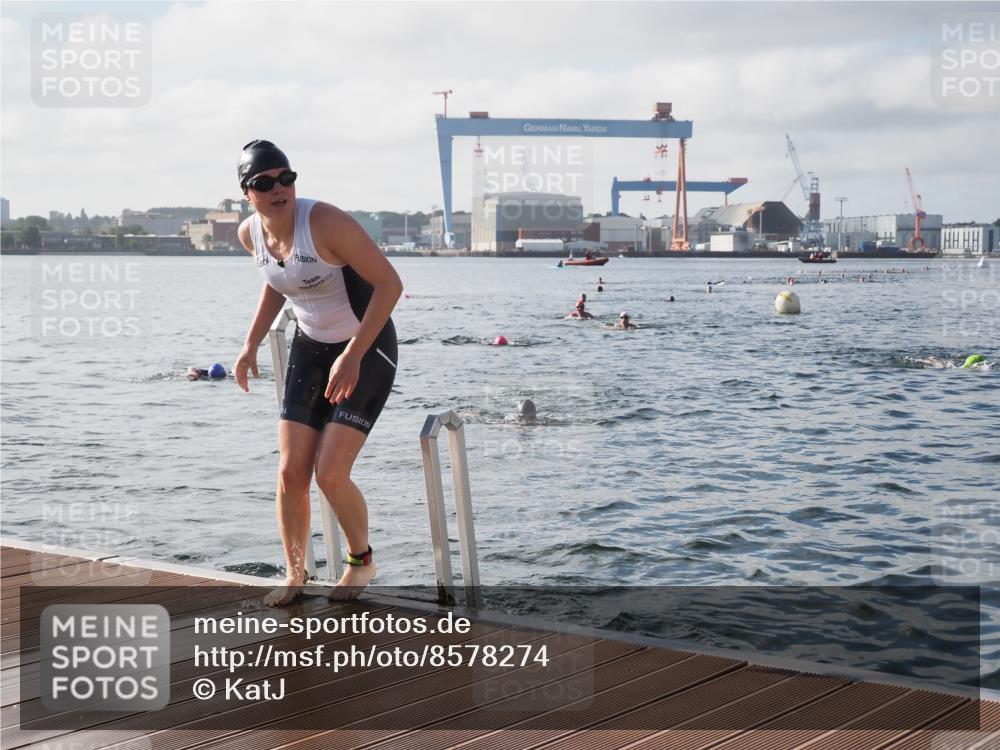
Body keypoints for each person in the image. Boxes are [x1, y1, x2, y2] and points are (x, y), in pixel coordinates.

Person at [232, 140, 402, 607]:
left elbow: (390, 284)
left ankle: (360, 559)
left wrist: (352, 353)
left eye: (286, 177)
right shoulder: (250, 234)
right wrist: (249, 346)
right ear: (247, 194)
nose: (279, 188)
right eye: (265, 183)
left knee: (329, 473)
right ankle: (295, 571)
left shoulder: (325, 222)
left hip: (366, 347)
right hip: (311, 349)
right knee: (290, 473)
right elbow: (276, 285)